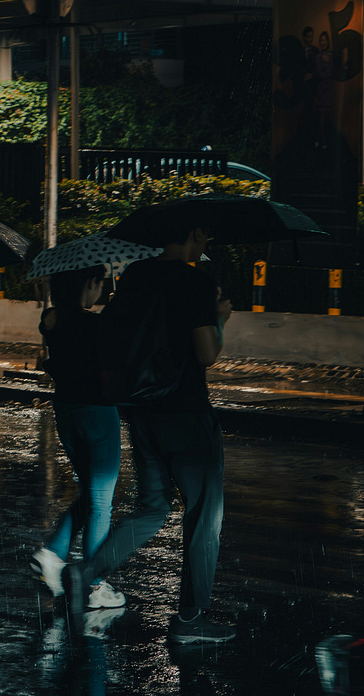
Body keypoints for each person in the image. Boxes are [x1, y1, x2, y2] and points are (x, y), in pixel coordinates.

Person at [62, 222, 236, 644]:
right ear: (192, 234)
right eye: (204, 234)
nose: (206, 239)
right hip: (187, 413)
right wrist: (220, 318)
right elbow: (207, 353)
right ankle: (191, 620)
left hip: (143, 410)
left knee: (153, 507)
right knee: (203, 518)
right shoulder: (196, 281)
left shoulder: (135, 276)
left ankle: (88, 572)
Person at [30, 267, 126, 612]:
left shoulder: (53, 320)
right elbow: (117, 363)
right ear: (90, 284)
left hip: (67, 412)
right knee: (101, 502)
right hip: (99, 413)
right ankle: (94, 582)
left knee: (89, 494)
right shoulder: (97, 324)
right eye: (99, 283)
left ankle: (52, 553)